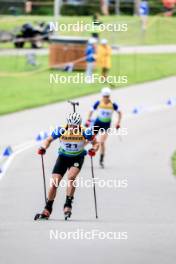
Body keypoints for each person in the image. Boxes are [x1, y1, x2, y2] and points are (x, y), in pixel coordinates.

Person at [36, 112, 99, 220]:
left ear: (79, 125)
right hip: (63, 158)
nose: (73, 128)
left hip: (77, 158)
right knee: (54, 183)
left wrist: (93, 150)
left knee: (71, 177)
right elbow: (48, 140)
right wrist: (43, 148)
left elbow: (96, 143)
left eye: (75, 126)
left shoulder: (85, 132)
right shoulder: (61, 130)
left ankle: (68, 204)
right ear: (68, 124)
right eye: (71, 125)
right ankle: (48, 208)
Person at [85, 87, 122, 168]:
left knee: (101, 142)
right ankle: (78, 150)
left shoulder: (113, 104)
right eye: (104, 96)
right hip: (97, 123)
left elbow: (120, 113)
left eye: (107, 96)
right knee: (89, 138)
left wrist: (118, 122)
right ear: (102, 96)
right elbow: (91, 111)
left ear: (109, 96)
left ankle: (101, 159)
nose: (106, 98)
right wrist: (88, 120)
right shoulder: (98, 103)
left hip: (106, 125)